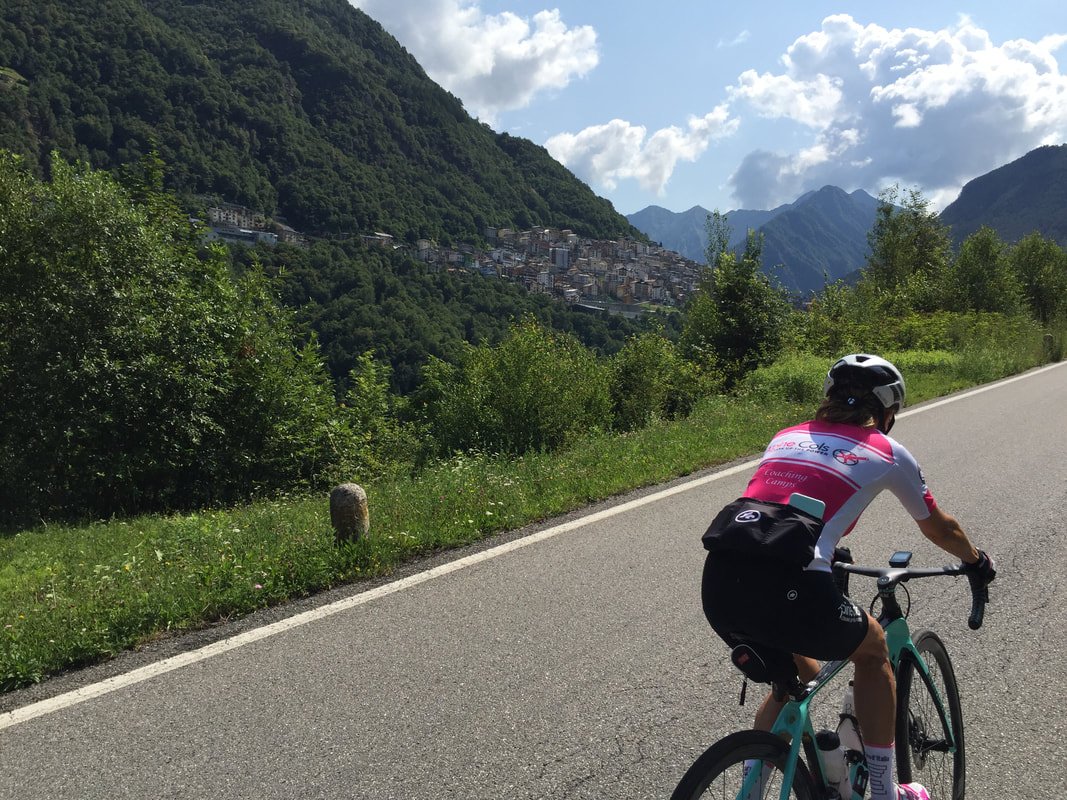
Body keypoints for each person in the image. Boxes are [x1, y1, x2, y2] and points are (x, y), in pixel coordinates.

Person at [700, 353, 996, 800]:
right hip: (793, 584)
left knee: (798, 674)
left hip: (721, 581)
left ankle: (753, 789)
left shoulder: (787, 436)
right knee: (874, 649)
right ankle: (884, 791)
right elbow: (940, 528)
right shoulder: (885, 450)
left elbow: (788, 505)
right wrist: (975, 561)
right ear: (887, 410)